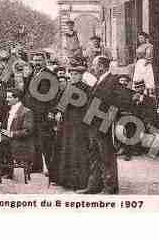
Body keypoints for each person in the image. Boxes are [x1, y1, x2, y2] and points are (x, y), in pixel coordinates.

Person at [77, 56, 125, 194]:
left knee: (106, 154)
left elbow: (116, 103)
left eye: (94, 65)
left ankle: (110, 186)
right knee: (95, 154)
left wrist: (106, 123)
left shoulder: (113, 80)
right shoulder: (100, 80)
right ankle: (94, 185)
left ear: (102, 66)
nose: (92, 68)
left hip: (103, 124)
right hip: (93, 123)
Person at [56, 62, 91, 190]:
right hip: (67, 124)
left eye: (76, 74)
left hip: (80, 124)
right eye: (71, 74)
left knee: (79, 152)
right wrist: (59, 112)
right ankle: (68, 181)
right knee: (68, 150)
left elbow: (89, 108)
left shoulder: (87, 89)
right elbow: (61, 105)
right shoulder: (69, 88)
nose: (73, 76)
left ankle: (81, 182)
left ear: (81, 75)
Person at [23, 53, 57, 176]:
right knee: (34, 140)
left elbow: (54, 96)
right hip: (32, 113)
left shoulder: (50, 75)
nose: (37, 63)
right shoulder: (32, 74)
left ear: (45, 61)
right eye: (35, 60)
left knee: (46, 142)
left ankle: (52, 169)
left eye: (39, 60)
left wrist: (51, 112)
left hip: (43, 114)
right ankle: (37, 165)